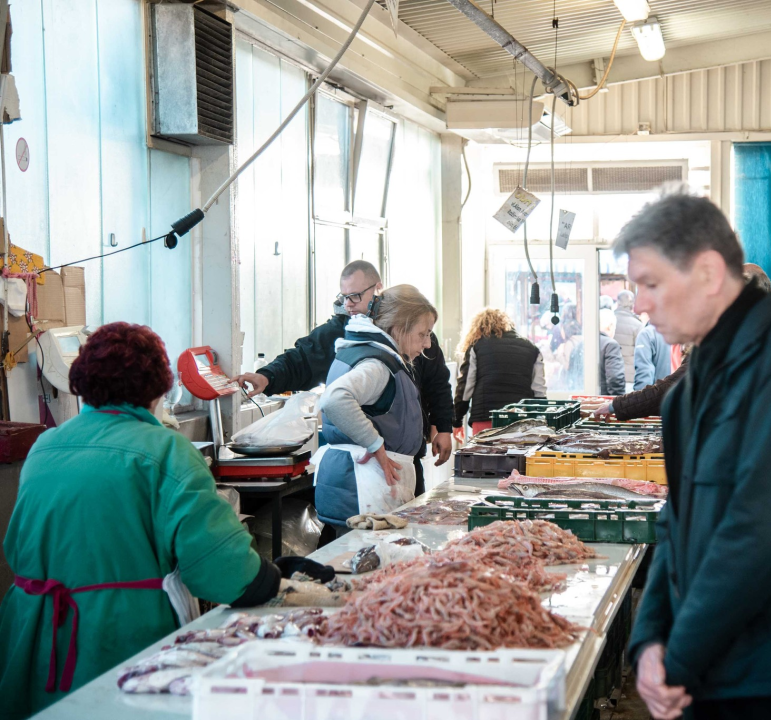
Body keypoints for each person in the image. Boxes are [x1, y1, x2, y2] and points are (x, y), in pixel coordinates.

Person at [622, 191, 771, 720]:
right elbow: (676, 522)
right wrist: (649, 642)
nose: (639, 304)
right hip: (711, 667)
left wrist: (679, 656)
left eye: (651, 284)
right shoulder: (695, 382)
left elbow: (764, 530)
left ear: (708, 272)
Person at [0, 323, 281, 718]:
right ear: (157, 387)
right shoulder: (165, 450)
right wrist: (269, 576)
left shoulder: (48, 444)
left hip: (31, 633)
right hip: (116, 637)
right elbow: (221, 569)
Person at [232, 260, 452, 494]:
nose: (348, 304)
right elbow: (304, 359)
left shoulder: (412, 333)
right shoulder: (347, 335)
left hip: (404, 459)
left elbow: (437, 384)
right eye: (344, 297)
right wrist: (267, 377)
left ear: (378, 290)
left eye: (355, 296)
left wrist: (444, 427)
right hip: (366, 466)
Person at [315, 285, 436, 530]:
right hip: (364, 485)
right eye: (423, 334)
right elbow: (334, 399)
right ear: (399, 328)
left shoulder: (368, 352)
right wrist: (376, 444)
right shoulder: (377, 365)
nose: (428, 344)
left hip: (359, 483)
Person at [452, 308, 546, 440]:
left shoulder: (476, 347)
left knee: (485, 459)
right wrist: (540, 420)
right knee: (517, 459)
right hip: (520, 420)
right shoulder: (532, 348)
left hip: (486, 419)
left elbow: (466, 388)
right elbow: (539, 391)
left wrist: (457, 420)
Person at [614, 290, 644, 387]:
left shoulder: (609, 320)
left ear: (617, 303)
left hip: (610, 373)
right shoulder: (637, 325)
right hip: (629, 376)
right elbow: (641, 354)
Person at [634, 323, 673, 391]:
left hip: (659, 395)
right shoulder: (685, 331)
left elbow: (644, 372)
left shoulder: (647, 333)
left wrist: (639, 398)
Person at [599, 308, 626, 396]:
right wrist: (619, 402)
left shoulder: (583, 343)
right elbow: (615, 378)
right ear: (610, 326)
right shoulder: (610, 345)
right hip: (602, 402)